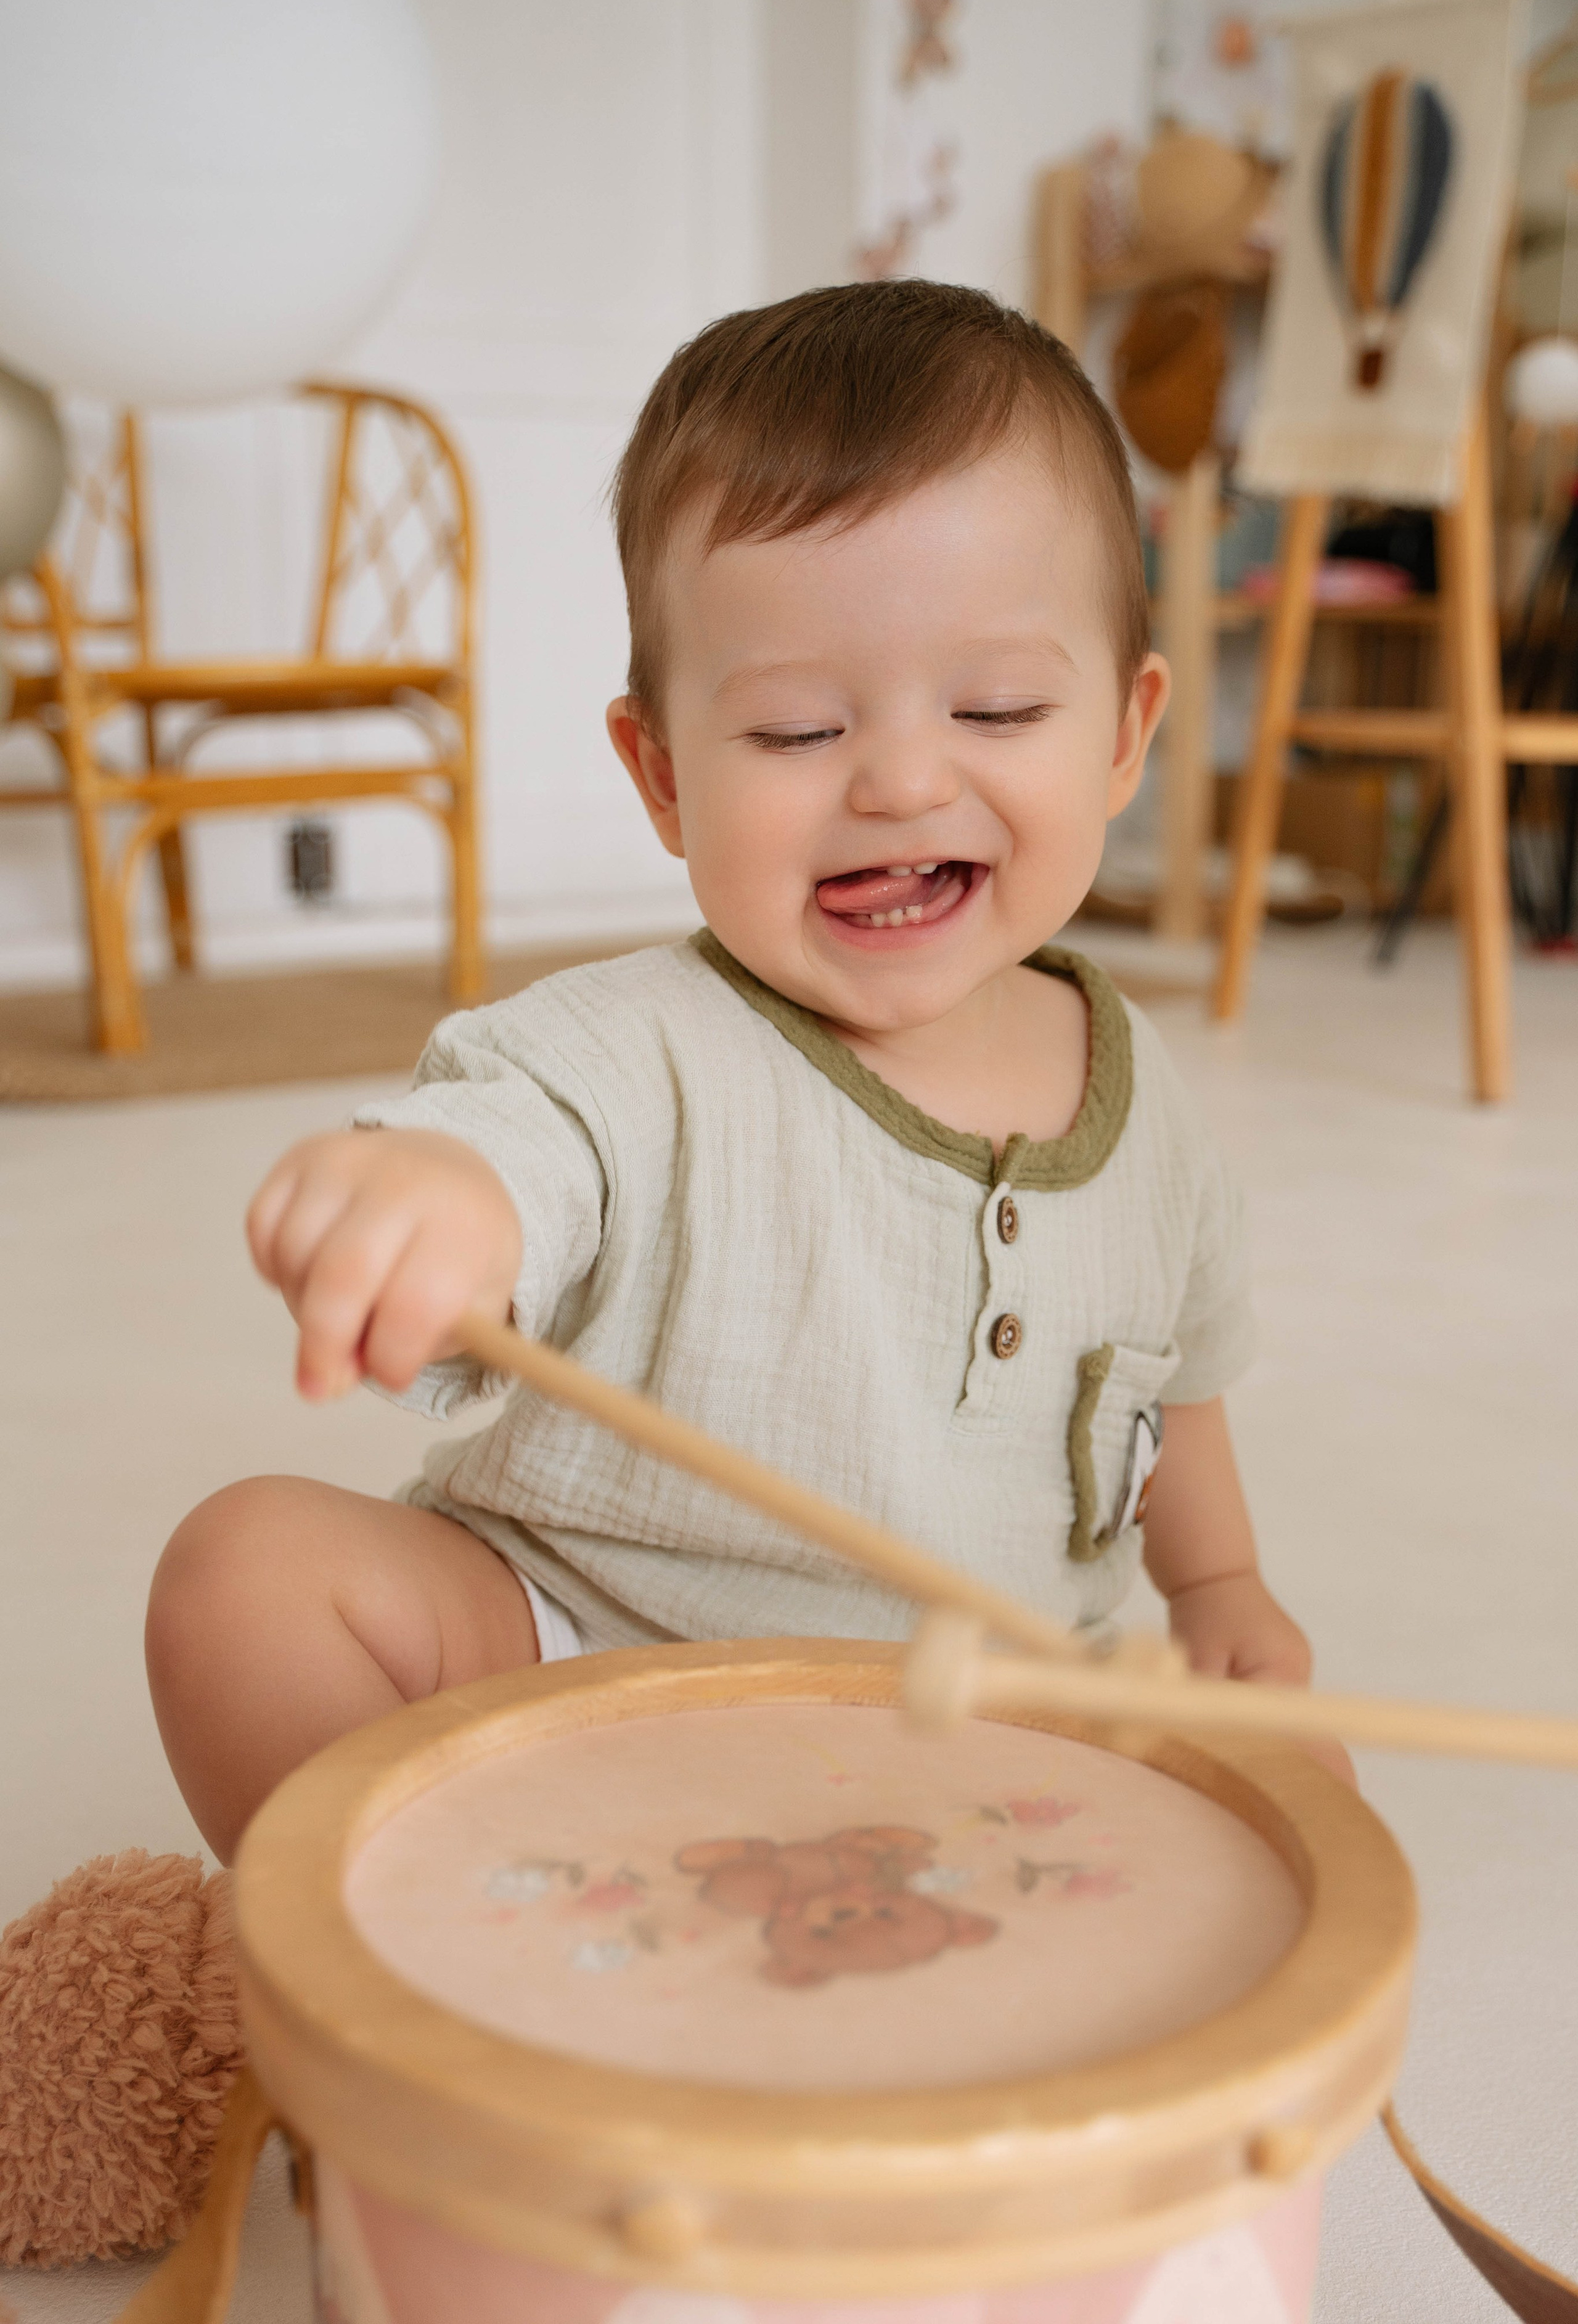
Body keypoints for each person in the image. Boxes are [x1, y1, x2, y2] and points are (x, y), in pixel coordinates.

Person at [146, 281, 1314, 1865]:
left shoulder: (1142, 1102)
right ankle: (450, 1971)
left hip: (970, 1733)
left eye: (994, 707)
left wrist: (1220, 1588)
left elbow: (1171, 1388)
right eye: (791, 730)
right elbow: (518, 1144)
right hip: (576, 1661)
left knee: (1266, 1831)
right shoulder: (634, 1050)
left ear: (1122, 731)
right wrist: (435, 1197)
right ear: (662, 774)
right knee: (246, 1575)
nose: (901, 778)